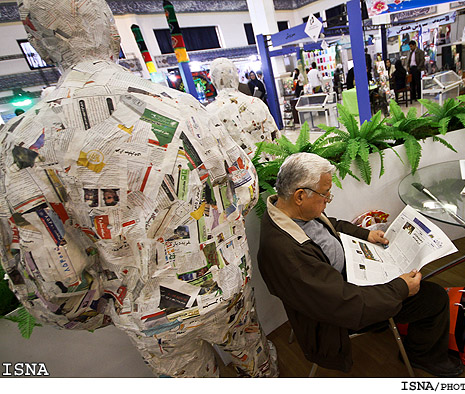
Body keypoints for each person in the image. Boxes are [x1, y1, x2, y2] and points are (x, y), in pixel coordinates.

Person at [0, 0, 277, 378]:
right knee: (255, 359)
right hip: (227, 284)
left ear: (36, 41)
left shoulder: (20, 143)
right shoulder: (184, 105)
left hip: (147, 314)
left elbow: (54, 272)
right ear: (114, 33)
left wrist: (97, 309)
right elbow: (245, 188)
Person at [257, 152, 463, 377]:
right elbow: (343, 303)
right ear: (299, 196)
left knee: (410, 276)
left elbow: (331, 226)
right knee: (434, 297)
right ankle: (422, 355)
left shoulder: (286, 210)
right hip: (339, 313)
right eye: (325, 195)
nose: (327, 201)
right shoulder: (286, 254)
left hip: (347, 278)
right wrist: (401, 289)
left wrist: (366, 235)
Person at [207, 57, 279, 155]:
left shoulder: (210, 112)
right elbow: (276, 136)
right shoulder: (256, 102)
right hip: (268, 165)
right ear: (236, 77)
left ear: (213, 80)